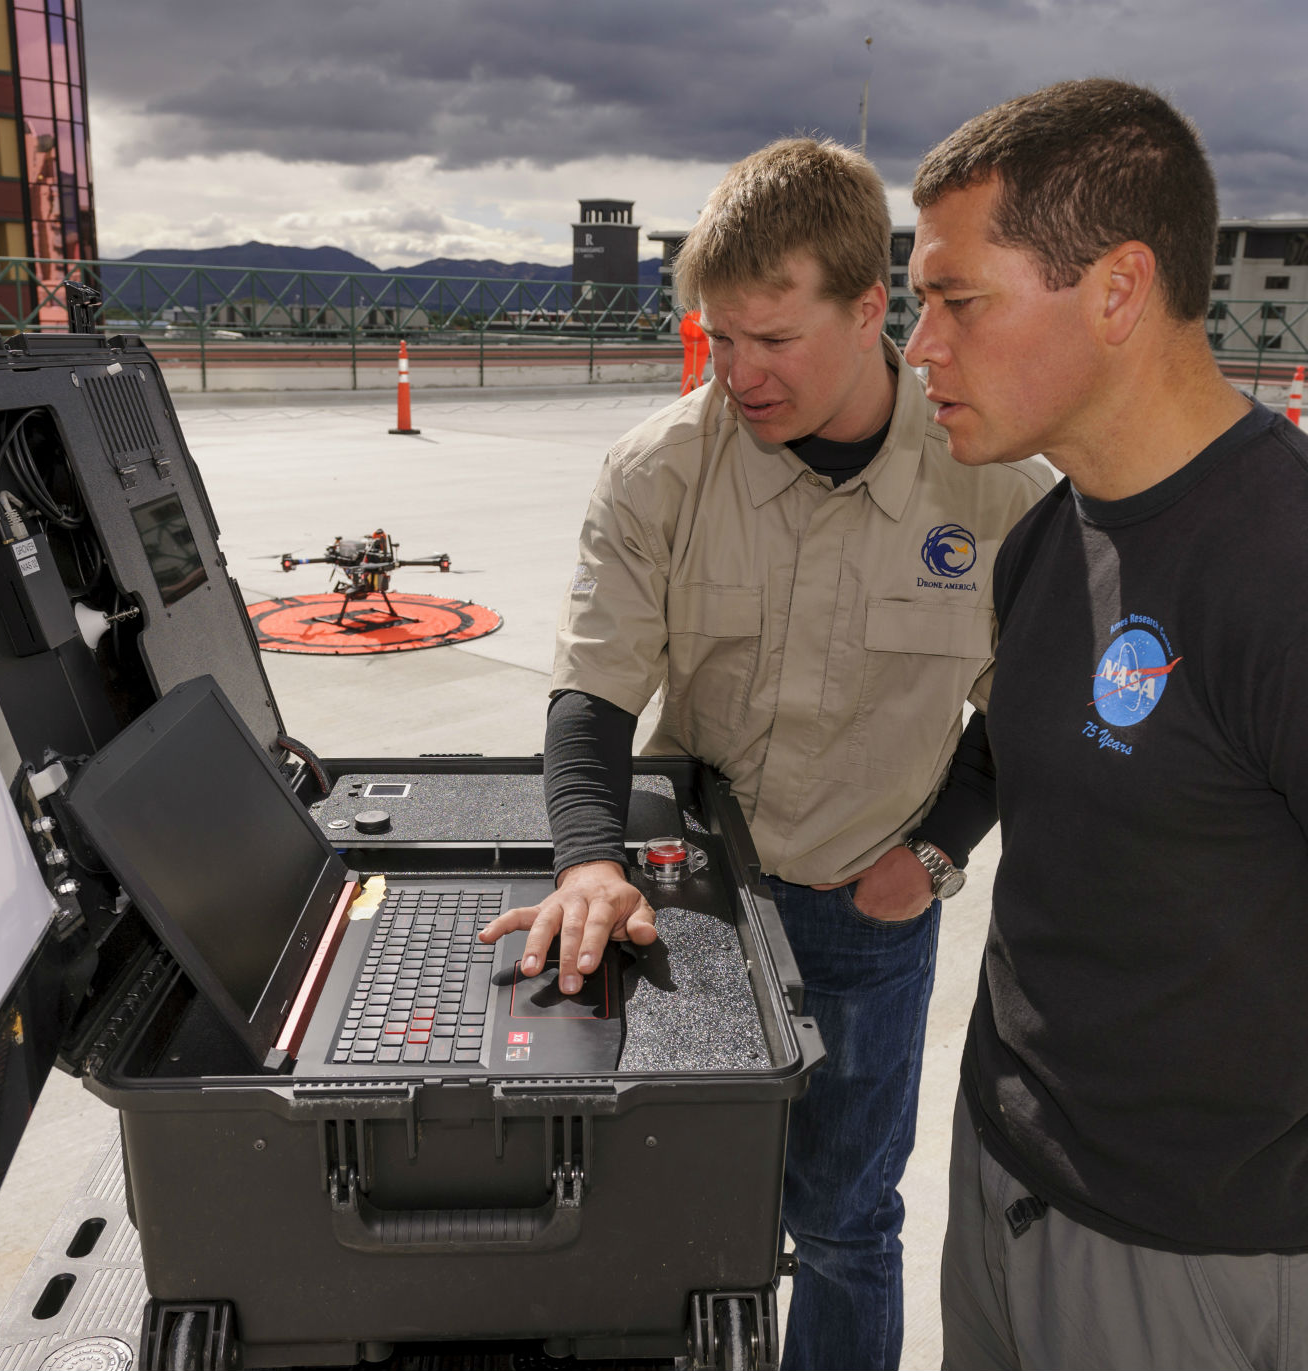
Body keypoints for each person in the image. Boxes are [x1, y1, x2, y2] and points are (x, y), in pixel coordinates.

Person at [900, 79, 1308, 1370]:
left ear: (1119, 289)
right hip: (1006, 1172)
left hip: (1198, 1257)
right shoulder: (1050, 534)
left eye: (958, 300)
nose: (921, 346)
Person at [480, 137, 1056, 1371]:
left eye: (772, 339)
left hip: (867, 907)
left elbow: (1029, 712)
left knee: (846, 1226)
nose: (736, 371)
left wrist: (936, 855)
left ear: (866, 310)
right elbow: (591, 689)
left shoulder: (997, 493)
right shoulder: (660, 472)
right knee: (664, 1208)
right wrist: (587, 861)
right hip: (691, 903)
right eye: (717, 337)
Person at [679, 307, 710, 395]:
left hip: (697, 348)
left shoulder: (690, 317)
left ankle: (690, 391)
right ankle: (691, 391)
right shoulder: (691, 317)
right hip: (696, 348)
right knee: (694, 373)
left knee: (693, 373)